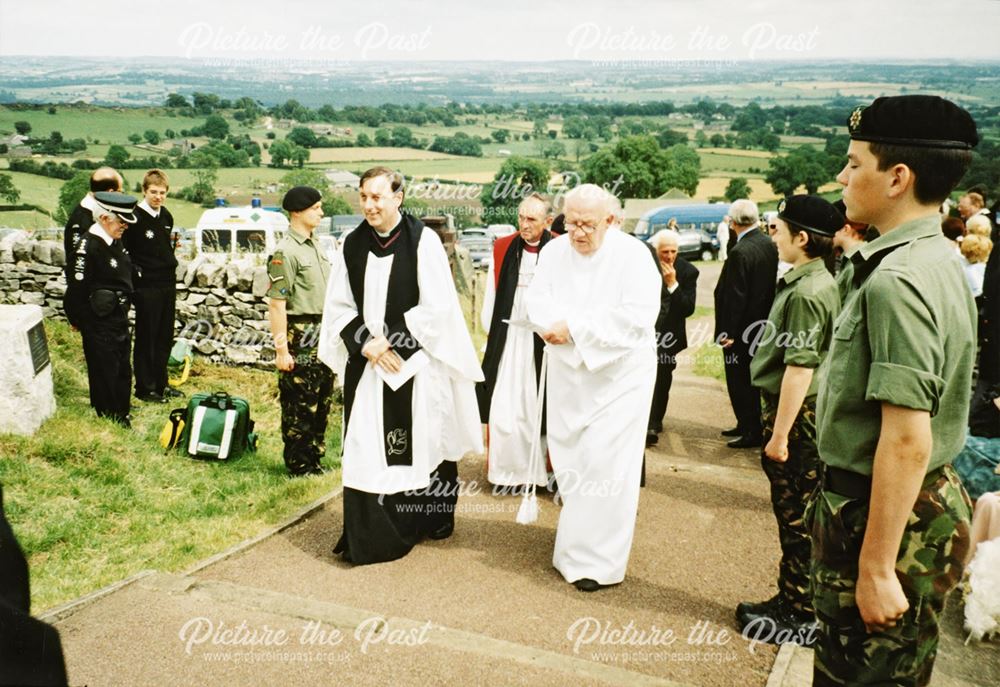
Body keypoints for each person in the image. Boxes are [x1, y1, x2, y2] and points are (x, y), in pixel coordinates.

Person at [811, 95, 979, 686]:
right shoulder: (935, 257)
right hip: (909, 506)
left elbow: (907, 438)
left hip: (884, 519)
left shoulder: (899, 281)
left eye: (855, 163)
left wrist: (878, 567)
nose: (842, 176)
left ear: (897, 178)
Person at [318, 167, 483, 565]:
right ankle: (374, 534)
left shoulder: (421, 242)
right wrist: (365, 344)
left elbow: (437, 306)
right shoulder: (352, 245)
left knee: (426, 442)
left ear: (398, 196)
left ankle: (429, 518)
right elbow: (338, 306)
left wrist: (391, 340)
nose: (369, 205)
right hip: (368, 362)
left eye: (377, 197)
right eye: (363, 197)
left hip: (413, 361)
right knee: (364, 445)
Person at [525, 184, 660, 592]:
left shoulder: (634, 256)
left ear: (612, 221)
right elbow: (537, 298)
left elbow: (639, 316)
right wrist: (548, 324)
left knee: (606, 465)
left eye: (588, 224)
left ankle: (598, 563)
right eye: (571, 222)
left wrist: (577, 328)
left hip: (620, 376)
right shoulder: (553, 251)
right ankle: (571, 549)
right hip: (568, 371)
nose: (578, 233)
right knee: (572, 460)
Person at [737, 195, 843, 643]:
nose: (772, 236)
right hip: (797, 414)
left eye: (777, 229)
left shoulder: (808, 291)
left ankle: (798, 611)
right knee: (795, 515)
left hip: (796, 419)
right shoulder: (810, 282)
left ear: (802, 238)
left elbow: (800, 369)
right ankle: (794, 599)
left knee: (795, 517)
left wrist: (779, 435)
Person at [478, 193, 554, 489]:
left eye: (531, 219)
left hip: (543, 339)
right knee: (504, 405)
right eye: (521, 217)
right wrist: (492, 332)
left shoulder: (560, 247)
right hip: (509, 338)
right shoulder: (503, 247)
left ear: (548, 221)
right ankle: (506, 474)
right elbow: (492, 295)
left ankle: (538, 473)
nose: (523, 224)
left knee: (538, 404)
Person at [266, 186, 334, 477]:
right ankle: (298, 463)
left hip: (324, 331)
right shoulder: (286, 252)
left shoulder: (316, 245)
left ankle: (315, 457)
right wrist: (282, 350)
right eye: (316, 207)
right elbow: (277, 304)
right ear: (297, 212)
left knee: (322, 400)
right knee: (300, 403)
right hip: (301, 333)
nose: (321, 212)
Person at [62, 192, 139, 427]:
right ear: (104, 218)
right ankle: (109, 416)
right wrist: (82, 321)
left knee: (122, 366)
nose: (125, 226)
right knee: (105, 368)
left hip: (117, 315)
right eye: (121, 221)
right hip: (99, 318)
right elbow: (77, 289)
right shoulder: (88, 247)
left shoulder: (113, 240)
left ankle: (121, 411)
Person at [714, 199, 778, 449]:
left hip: (741, 329)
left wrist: (728, 332)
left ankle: (750, 429)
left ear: (732, 222)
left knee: (740, 379)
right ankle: (746, 423)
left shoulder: (741, 251)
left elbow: (736, 295)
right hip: (762, 323)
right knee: (750, 378)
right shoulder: (767, 244)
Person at [123, 169, 180, 403]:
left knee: (164, 336)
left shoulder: (165, 216)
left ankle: (161, 383)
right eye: (153, 192)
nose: (158, 197)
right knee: (147, 336)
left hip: (167, 282)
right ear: (144, 191)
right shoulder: (133, 217)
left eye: (162, 193)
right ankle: (145, 388)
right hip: (146, 285)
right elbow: (124, 250)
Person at [646, 228, 699, 446]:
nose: (669, 256)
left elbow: (687, 308)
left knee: (662, 378)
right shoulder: (645, 265)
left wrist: (672, 284)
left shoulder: (688, 271)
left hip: (668, 336)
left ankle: (653, 422)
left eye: (673, 252)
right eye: (664, 252)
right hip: (645, 331)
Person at [63, 167, 122, 281]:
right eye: (120, 191)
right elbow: (78, 263)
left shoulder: (98, 212)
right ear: (110, 192)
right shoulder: (81, 220)